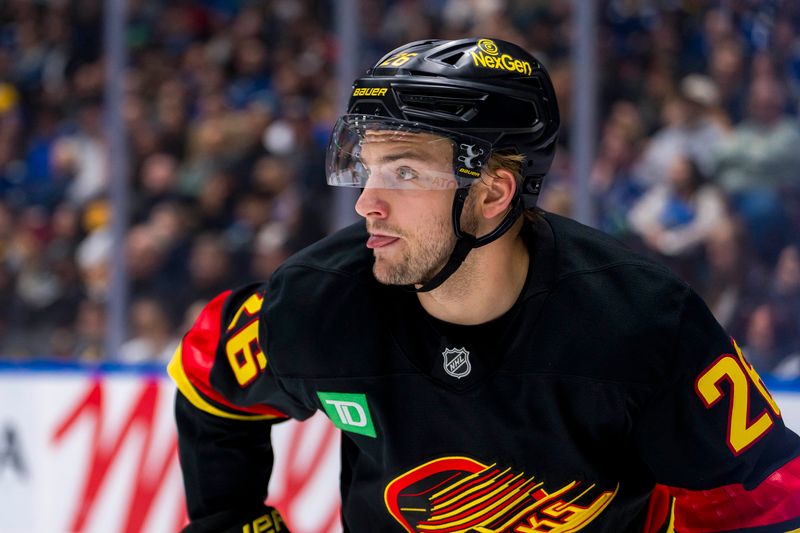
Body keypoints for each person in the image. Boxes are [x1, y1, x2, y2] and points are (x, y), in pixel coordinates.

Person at [169, 38, 800, 533]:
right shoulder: (317, 299)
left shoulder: (641, 320)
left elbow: (774, 491)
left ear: (494, 192)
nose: (366, 202)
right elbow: (208, 378)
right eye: (368, 167)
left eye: (406, 170)